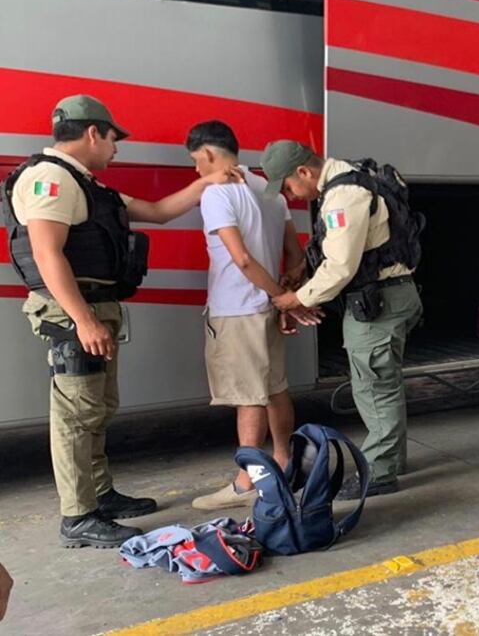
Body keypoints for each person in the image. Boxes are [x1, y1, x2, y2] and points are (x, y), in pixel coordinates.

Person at [0, 95, 240, 548]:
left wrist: (209, 180)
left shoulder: (87, 184)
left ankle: (100, 494)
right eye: (114, 139)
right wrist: (84, 320)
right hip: (73, 312)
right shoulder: (49, 177)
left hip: (95, 307)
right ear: (93, 133)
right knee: (75, 413)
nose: (117, 148)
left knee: (97, 405)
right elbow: (46, 253)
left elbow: (159, 211)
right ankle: (79, 516)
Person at [261, 141, 423, 497]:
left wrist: (295, 299)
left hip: (378, 303)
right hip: (392, 295)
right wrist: (304, 269)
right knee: (383, 382)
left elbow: (341, 266)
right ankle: (392, 460)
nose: (290, 195)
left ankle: (379, 473)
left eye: (288, 186)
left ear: (304, 171)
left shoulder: (343, 195)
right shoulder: (355, 178)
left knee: (374, 387)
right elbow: (349, 246)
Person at [184, 121, 308, 510]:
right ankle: (284, 463)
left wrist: (279, 296)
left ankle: (248, 481)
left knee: (247, 396)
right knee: (274, 387)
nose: (195, 171)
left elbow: (240, 258)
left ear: (207, 154)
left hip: (237, 309)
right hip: (266, 310)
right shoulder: (269, 190)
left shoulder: (217, 193)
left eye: (195, 161)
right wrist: (283, 294)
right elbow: (296, 254)